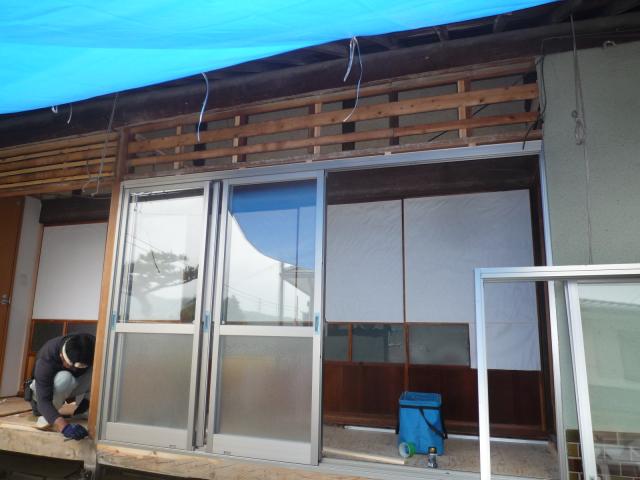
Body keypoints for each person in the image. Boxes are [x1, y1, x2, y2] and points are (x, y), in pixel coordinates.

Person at [27, 333, 95, 440]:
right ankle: (48, 417)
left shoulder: (90, 345)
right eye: (69, 365)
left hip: (67, 387)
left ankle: (82, 411)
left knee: (98, 371)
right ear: (61, 355)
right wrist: (64, 427)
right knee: (65, 377)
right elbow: (44, 400)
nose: (74, 369)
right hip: (41, 397)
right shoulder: (46, 358)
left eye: (78, 367)